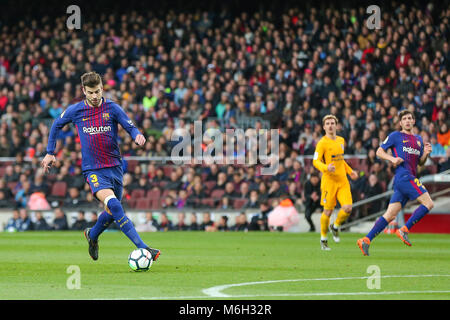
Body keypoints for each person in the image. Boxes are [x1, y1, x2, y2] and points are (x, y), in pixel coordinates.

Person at [41, 72, 160, 262]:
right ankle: (144, 248)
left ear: (102, 88)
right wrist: (50, 152)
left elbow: (129, 125)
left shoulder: (112, 108)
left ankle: (92, 235)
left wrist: (137, 135)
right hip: (94, 169)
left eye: (97, 91)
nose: (95, 96)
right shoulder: (76, 110)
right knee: (114, 204)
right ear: (83, 91)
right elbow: (56, 125)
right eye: (90, 92)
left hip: (115, 167)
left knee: (113, 213)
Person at [357, 110, 434, 256]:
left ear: (413, 121)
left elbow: (420, 163)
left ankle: (366, 240)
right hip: (403, 177)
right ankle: (404, 229)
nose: (407, 121)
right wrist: (392, 159)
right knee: (429, 203)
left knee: (390, 215)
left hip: (408, 177)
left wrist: (425, 154)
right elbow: (379, 151)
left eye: (410, 118)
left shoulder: (418, 140)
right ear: (400, 123)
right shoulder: (395, 136)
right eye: (404, 119)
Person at [313, 114, 358, 250]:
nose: (330, 125)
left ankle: (336, 225)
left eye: (332, 123)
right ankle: (323, 239)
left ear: (336, 125)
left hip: (343, 180)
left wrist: (350, 171)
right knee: (327, 211)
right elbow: (315, 161)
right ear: (324, 127)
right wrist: (326, 167)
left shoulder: (341, 140)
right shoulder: (322, 143)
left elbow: (341, 160)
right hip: (329, 182)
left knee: (348, 208)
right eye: (328, 123)